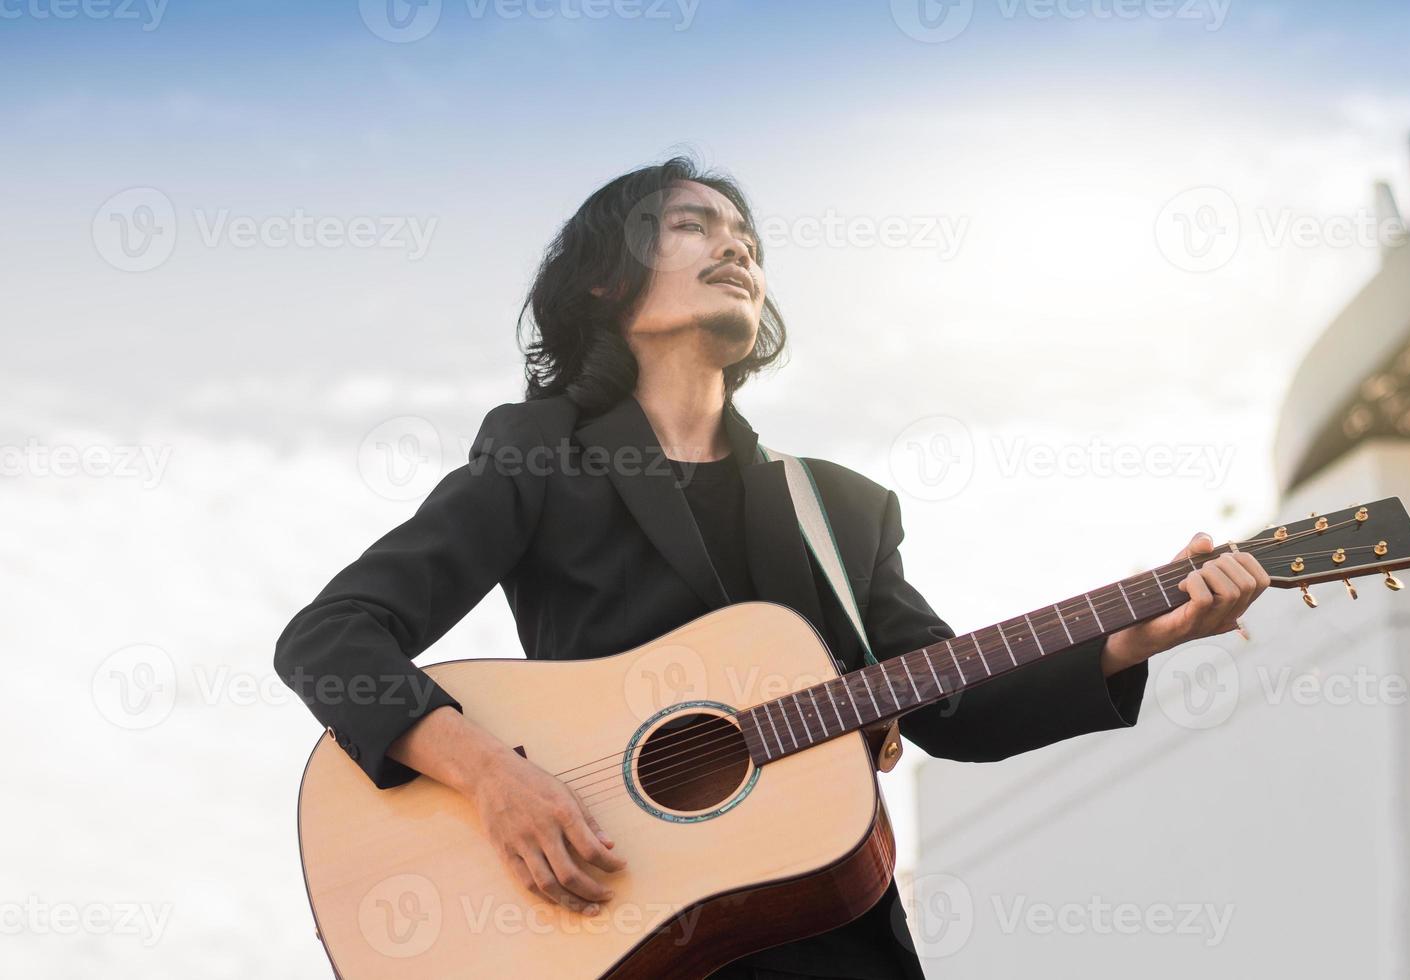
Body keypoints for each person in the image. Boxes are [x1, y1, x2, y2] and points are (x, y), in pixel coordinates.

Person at [274, 156, 1271, 980]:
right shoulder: (541, 458)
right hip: (616, 928)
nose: (735, 243)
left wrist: (1144, 630)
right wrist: (493, 775)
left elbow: (953, 698)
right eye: (692, 226)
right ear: (603, 279)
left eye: (744, 234)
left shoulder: (838, 508)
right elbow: (331, 639)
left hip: (831, 946)